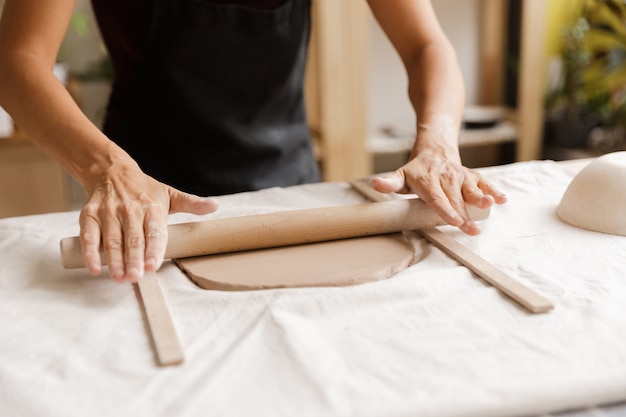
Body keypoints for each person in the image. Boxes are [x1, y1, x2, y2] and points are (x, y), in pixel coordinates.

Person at [0, 0, 507, 284]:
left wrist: (437, 143)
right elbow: (17, 61)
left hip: (290, 194)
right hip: (149, 205)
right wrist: (109, 171)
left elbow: (425, 44)